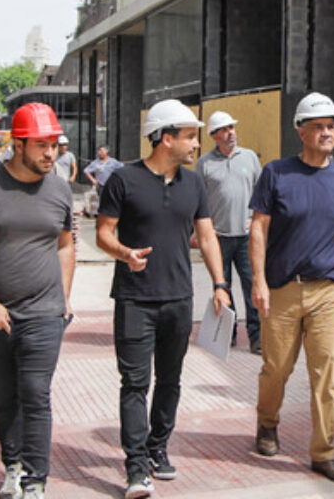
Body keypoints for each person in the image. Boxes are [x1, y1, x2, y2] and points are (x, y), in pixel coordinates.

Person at [96, 99, 232, 499]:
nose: (195, 143)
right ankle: (136, 467)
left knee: (170, 380)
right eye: (190, 135)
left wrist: (221, 284)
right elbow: (104, 232)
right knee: (135, 383)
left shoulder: (194, 183)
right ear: (165, 138)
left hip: (179, 299)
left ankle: (158, 447)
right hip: (134, 299)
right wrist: (125, 254)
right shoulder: (123, 180)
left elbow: (206, 236)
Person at [0, 102, 75, 499]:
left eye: (54, 145)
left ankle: (36, 479)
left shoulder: (59, 188)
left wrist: (65, 297)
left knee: (36, 393)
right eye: (41, 145)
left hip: (44, 312)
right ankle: (13, 465)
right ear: (17, 144)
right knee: (5, 396)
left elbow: (65, 245)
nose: (50, 154)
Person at [250, 92, 334, 485]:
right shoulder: (276, 173)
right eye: (319, 126)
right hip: (283, 288)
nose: (327, 133)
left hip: (329, 289)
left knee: (327, 374)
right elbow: (259, 227)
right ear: (301, 131)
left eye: (331, 126)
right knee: (276, 369)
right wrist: (259, 280)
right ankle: (267, 424)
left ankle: (323, 452)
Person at [195, 110, 263, 354]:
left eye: (231, 128)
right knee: (222, 286)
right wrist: (203, 230)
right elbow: (198, 201)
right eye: (223, 130)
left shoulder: (250, 158)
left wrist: (256, 223)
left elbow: (262, 194)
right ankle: (227, 334)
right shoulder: (204, 164)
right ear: (214, 135)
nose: (230, 133)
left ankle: (257, 337)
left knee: (252, 286)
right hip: (218, 238)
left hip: (246, 238)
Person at [84, 145, 122, 216]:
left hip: (111, 185)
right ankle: (102, 215)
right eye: (99, 151)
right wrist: (93, 180)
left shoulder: (113, 162)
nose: (99, 153)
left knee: (112, 200)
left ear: (106, 151)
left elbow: (122, 168)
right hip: (101, 185)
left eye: (101, 151)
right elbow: (86, 171)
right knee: (102, 201)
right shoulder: (96, 163)